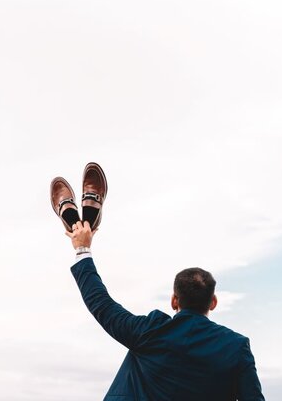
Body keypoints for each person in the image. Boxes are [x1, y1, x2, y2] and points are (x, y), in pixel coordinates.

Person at [50, 163, 265, 401]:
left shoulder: (151, 331)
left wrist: (82, 249)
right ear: (213, 302)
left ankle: (81, 228)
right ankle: (84, 223)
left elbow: (101, 304)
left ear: (174, 300)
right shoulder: (236, 347)